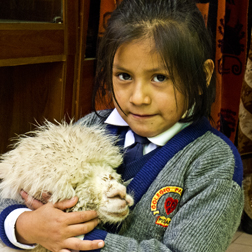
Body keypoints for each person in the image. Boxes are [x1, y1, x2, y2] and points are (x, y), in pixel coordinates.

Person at [0, 0, 244, 251]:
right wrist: (24, 224)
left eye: (160, 77)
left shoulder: (214, 162)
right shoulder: (90, 128)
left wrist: (76, 237)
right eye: (124, 76)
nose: (138, 98)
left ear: (202, 76)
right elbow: (11, 190)